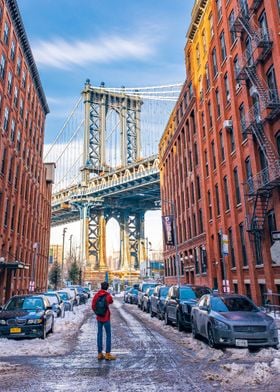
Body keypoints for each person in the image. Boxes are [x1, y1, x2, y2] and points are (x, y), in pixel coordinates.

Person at [92, 281, 116, 361]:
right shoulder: (107, 295)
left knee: (99, 334)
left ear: (101, 287)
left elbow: (93, 305)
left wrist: (97, 313)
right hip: (106, 318)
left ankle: (99, 353)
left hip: (99, 318)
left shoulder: (96, 295)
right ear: (107, 287)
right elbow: (111, 301)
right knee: (108, 335)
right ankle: (107, 354)